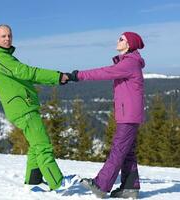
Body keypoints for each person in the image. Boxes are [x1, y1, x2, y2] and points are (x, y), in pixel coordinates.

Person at [0, 24, 78, 191]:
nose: (7, 39)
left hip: (25, 105)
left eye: (9, 35)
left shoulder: (4, 56)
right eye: (3, 36)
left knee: (36, 145)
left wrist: (55, 79)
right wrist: (57, 77)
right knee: (43, 145)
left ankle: (33, 180)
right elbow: (26, 72)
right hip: (22, 108)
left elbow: (24, 75)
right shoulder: (0, 57)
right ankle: (57, 182)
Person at [68, 32, 145, 199]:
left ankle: (101, 185)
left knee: (118, 149)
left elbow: (105, 72)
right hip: (129, 114)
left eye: (121, 39)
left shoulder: (129, 63)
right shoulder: (129, 62)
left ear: (129, 44)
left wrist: (78, 75)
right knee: (127, 151)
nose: (117, 41)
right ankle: (130, 187)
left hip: (129, 115)